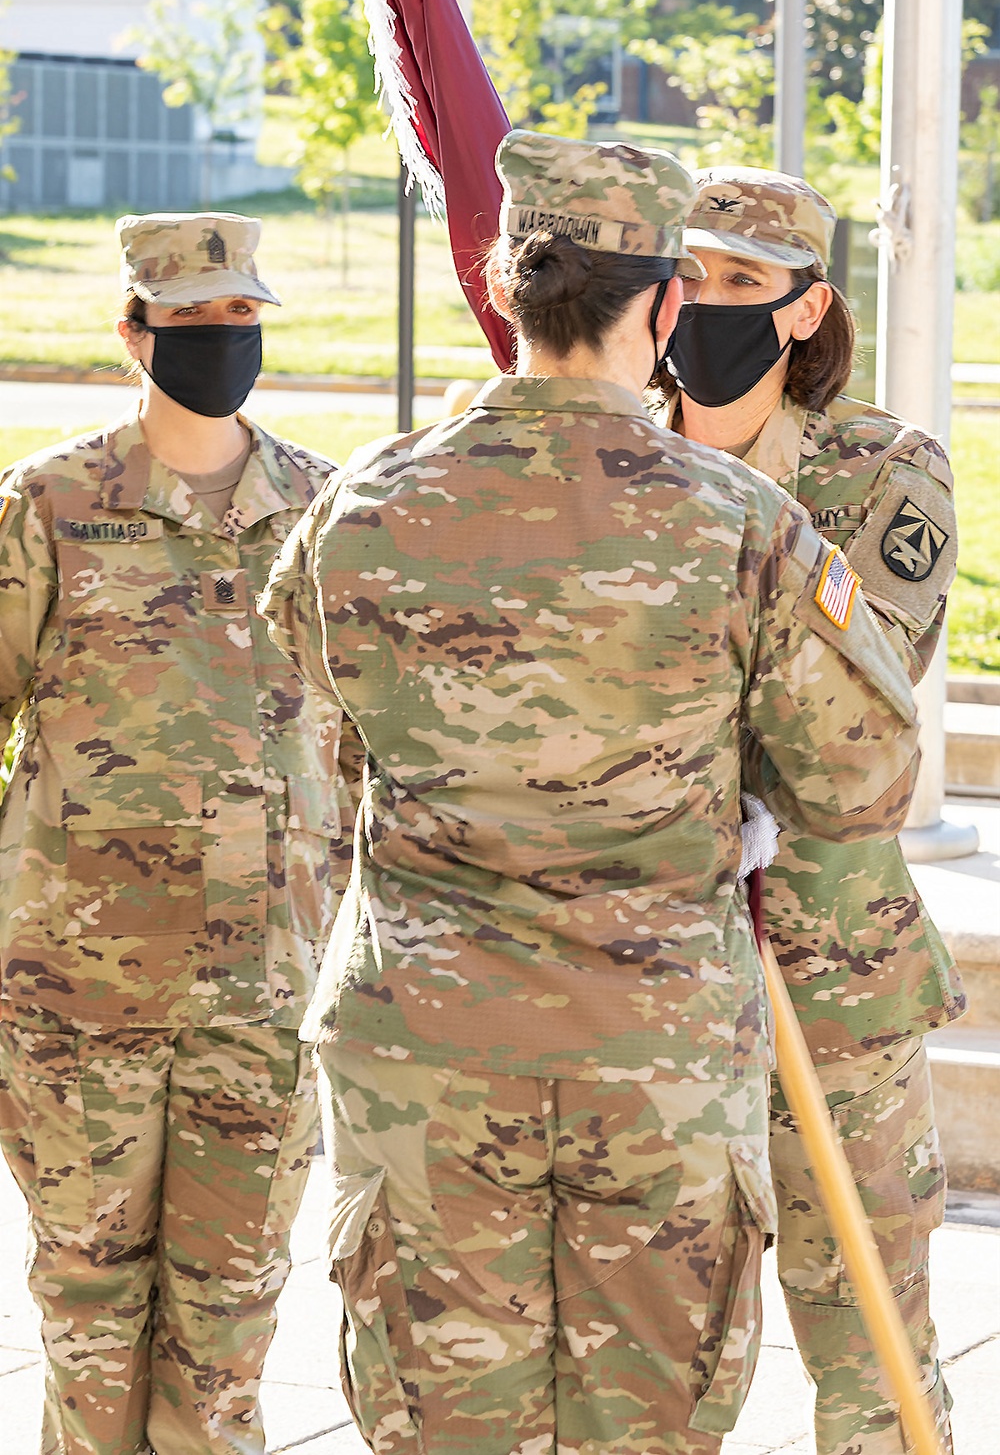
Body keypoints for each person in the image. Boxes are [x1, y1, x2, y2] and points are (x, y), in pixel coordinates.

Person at [260, 131, 923, 1455]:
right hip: (651, 1061)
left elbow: (309, 722)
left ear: (508, 289)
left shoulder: (366, 504)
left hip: (424, 1056)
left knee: (440, 1421)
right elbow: (860, 781)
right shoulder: (738, 520)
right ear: (667, 306)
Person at [0, 211, 359, 1455]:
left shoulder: (328, 510)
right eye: (193, 320)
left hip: (266, 992)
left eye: (240, 318)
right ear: (131, 333)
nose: (221, 340)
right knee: (90, 1319)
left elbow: (371, 747)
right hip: (78, 993)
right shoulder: (50, 505)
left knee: (227, 1331)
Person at [652, 166, 965, 1455]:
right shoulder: (597, 461)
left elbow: (861, 709)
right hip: (649, 979)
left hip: (831, 972)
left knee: (869, 1346)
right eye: (689, 277)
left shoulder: (880, 470)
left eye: (742, 283)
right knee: (658, 1350)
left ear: (804, 308)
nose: (705, 305)